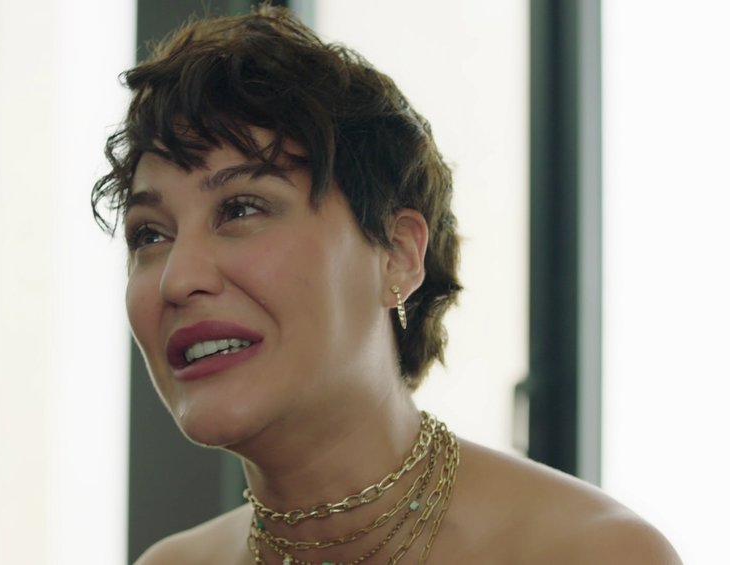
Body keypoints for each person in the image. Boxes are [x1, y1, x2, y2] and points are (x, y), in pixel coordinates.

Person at [93, 5, 681, 564]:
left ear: (397, 255)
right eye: (150, 235)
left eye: (241, 209)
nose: (179, 278)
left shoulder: (591, 553)